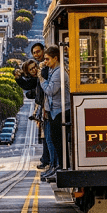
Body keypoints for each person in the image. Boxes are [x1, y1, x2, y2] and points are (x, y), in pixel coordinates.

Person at [41, 45, 71, 182]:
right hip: (55, 111)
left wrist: (42, 80)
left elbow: (50, 91)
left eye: (47, 59)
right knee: (55, 140)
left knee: (58, 140)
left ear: (55, 58)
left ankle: (62, 166)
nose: (45, 62)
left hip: (61, 111)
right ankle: (59, 166)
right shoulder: (54, 71)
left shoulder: (59, 73)